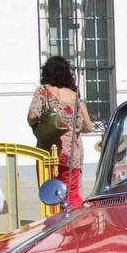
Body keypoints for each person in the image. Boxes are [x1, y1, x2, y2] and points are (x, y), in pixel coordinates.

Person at [27, 56, 93, 208]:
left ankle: (54, 227)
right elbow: (88, 127)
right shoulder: (74, 95)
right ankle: (73, 226)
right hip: (72, 152)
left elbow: (32, 116)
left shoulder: (43, 91)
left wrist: (39, 125)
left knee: (51, 195)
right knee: (72, 194)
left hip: (49, 150)